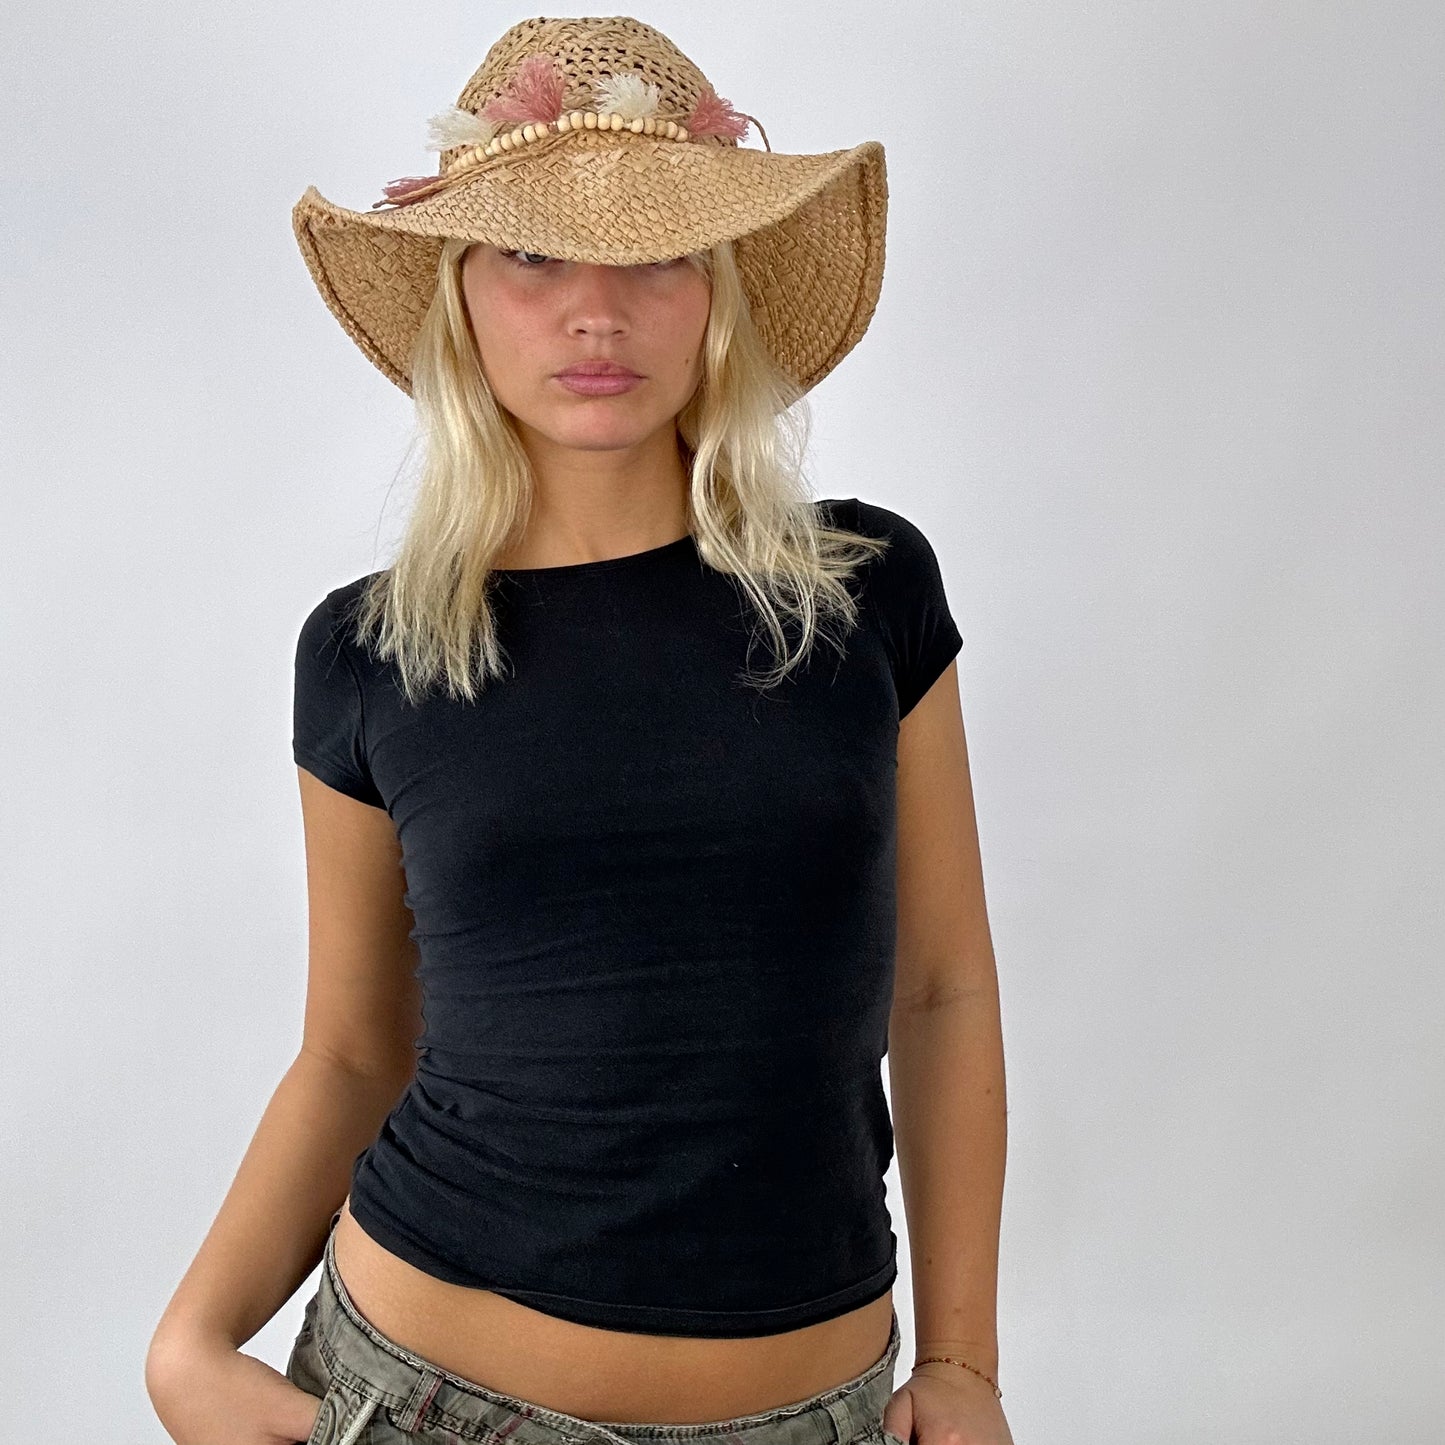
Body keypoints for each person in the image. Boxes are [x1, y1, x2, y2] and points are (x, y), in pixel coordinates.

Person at [144, 15, 1011, 1445]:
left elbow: (940, 989)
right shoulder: (370, 653)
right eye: (532, 256)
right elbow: (354, 1051)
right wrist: (187, 1345)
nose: (595, 314)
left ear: (719, 292)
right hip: (422, 1395)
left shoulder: (863, 592)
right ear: (460, 297)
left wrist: (965, 1362)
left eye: (655, 257)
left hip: (824, 1410)